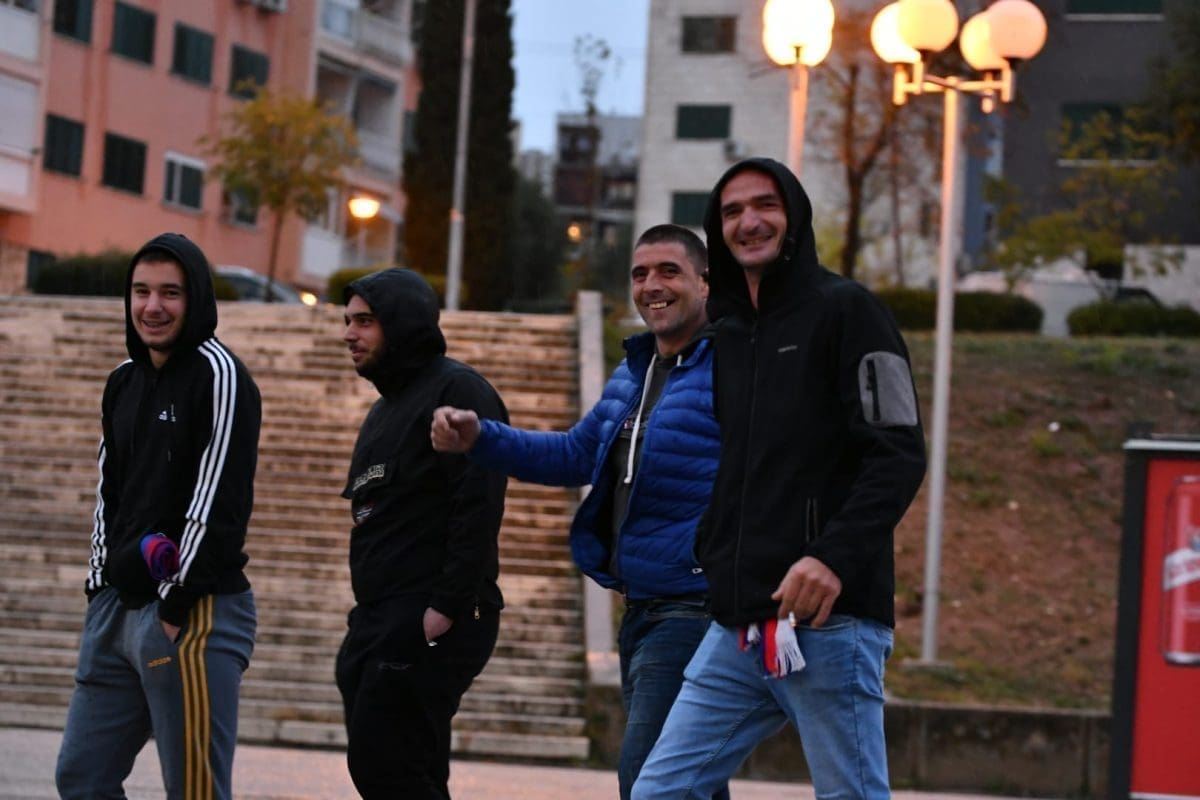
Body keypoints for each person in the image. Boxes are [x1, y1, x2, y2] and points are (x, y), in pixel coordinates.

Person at [632, 158, 928, 799]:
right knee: (659, 792)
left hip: (830, 622)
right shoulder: (730, 335)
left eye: (765, 204)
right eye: (732, 211)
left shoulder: (850, 311)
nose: (749, 221)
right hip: (739, 623)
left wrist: (832, 558)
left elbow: (899, 453)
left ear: (794, 215)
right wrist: (715, 553)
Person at [431, 224, 728, 800]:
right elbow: (575, 454)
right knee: (686, 783)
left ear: (705, 283)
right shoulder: (634, 372)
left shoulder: (732, 368)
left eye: (669, 271)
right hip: (641, 608)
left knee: (650, 781)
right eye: (639, 274)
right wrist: (481, 437)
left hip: (694, 608)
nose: (651, 285)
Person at [56, 233, 262, 800]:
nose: (153, 306)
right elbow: (109, 491)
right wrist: (99, 586)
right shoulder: (123, 379)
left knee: (194, 791)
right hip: (117, 609)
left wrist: (174, 606)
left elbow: (218, 500)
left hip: (194, 612)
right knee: (81, 778)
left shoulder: (220, 376)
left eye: (170, 293)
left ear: (196, 299)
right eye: (141, 291)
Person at [335, 268, 508, 799]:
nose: (349, 334)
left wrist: (444, 608)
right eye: (347, 321)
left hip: (431, 612)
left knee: (384, 762)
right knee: (411, 766)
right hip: (379, 615)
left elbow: (477, 504)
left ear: (402, 323)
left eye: (365, 322)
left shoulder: (457, 390)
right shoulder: (384, 410)